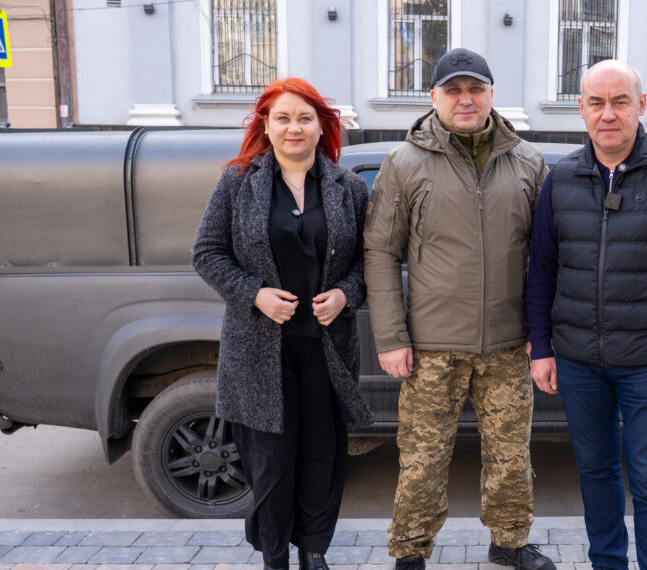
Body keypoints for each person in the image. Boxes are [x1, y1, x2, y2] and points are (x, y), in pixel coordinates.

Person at [524, 60, 647, 570]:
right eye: (597, 103)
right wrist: (542, 347)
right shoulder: (561, 179)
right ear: (581, 109)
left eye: (620, 102)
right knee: (595, 473)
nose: (608, 114)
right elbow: (542, 270)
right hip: (579, 364)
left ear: (641, 105)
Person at [363, 48, 555, 570]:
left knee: (511, 455)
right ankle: (410, 550)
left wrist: (542, 332)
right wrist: (391, 337)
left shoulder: (527, 161)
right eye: (453, 90)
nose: (465, 100)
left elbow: (546, 255)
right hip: (431, 347)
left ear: (492, 94)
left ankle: (510, 542)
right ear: (434, 97)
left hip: (509, 342)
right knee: (422, 458)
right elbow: (380, 251)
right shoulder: (405, 163)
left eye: (475, 89)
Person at [192, 77, 373, 570]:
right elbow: (206, 253)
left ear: (322, 127)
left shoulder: (349, 188)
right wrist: (255, 293)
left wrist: (346, 294)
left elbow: (369, 261)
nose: (294, 127)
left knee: (321, 457)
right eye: (283, 118)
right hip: (258, 351)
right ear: (266, 126)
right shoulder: (238, 182)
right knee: (270, 464)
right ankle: (275, 558)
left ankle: (313, 553)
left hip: (325, 349)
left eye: (305, 118)